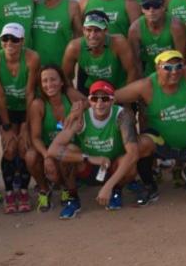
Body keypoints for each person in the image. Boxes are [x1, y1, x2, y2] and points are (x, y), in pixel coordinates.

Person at [112, 48, 186, 203]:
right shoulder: (146, 86)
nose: (174, 72)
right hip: (161, 141)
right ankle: (149, 185)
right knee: (140, 146)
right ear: (157, 68)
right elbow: (111, 97)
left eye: (178, 66)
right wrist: (124, 111)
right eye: (168, 67)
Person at [48, 80, 141, 217]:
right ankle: (73, 198)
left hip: (112, 166)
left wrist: (108, 186)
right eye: (94, 98)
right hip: (88, 166)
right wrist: (88, 158)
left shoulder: (122, 115)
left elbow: (133, 154)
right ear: (89, 100)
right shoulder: (81, 118)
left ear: (113, 100)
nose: (99, 103)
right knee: (68, 152)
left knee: (131, 163)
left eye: (105, 99)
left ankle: (116, 191)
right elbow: (53, 149)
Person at [0, 23, 40, 214]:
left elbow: (30, 93)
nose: (10, 43)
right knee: (9, 149)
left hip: (26, 108)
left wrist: (25, 127)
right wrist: (6, 127)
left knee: (24, 148)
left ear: (22, 41)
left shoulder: (32, 58)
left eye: (15, 39)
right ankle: (9, 192)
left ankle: (23, 191)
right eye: (5, 39)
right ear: (0, 41)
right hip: (5, 109)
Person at [25, 65, 73, 213]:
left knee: (68, 152)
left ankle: (67, 188)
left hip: (67, 148)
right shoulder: (38, 104)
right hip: (45, 148)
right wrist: (47, 156)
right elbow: (35, 137)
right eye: (44, 81)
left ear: (62, 82)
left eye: (53, 79)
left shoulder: (70, 96)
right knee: (30, 156)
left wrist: (78, 108)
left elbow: (88, 101)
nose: (49, 84)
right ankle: (44, 190)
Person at [62, 10, 138, 95]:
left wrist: (125, 100)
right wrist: (77, 99)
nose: (92, 35)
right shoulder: (74, 47)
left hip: (118, 89)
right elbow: (66, 77)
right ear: (83, 30)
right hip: (91, 88)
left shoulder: (119, 43)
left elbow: (132, 71)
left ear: (105, 30)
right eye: (88, 30)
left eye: (97, 30)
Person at [128, 0, 186, 76]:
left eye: (156, 6)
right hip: (150, 74)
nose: (151, 11)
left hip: (173, 73)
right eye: (147, 6)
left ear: (163, 6)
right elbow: (136, 62)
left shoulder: (176, 27)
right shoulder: (135, 30)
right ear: (142, 9)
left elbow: (182, 58)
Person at [32, 0, 83, 67]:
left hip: (61, 69)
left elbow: (79, 37)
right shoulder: (35, 5)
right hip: (35, 68)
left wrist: (72, 62)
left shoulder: (71, 6)